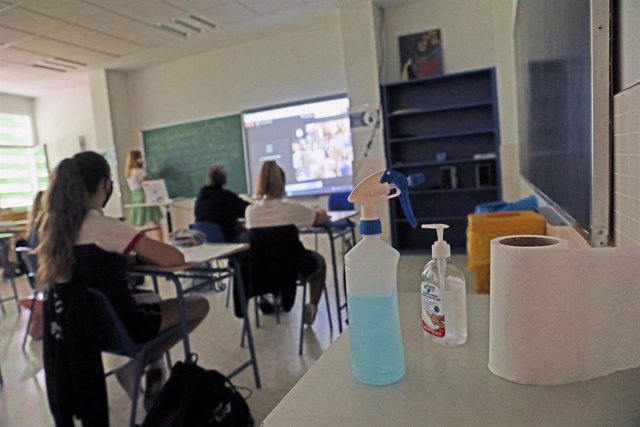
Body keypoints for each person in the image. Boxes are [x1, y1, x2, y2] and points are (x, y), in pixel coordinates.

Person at [37, 151, 209, 414]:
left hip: (86, 332)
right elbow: (173, 256)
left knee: (151, 299)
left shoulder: (53, 228)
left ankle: (144, 366)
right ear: (105, 184)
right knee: (199, 305)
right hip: (125, 327)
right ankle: (138, 365)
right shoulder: (101, 225)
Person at [245, 160, 330, 325]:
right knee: (319, 262)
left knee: (271, 253)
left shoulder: (250, 212)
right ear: (282, 184)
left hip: (262, 271)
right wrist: (317, 210)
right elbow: (321, 218)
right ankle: (312, 307)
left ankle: (270, 296)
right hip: (291, 269)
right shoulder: (291, 209)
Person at [194, 165, 250, 242]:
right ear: (224, 180)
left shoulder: (201, 197)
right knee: (250, 236)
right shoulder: (227, 197)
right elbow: (248, 210)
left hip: (205, 242)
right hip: (226, 238)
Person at [125, 150, 163, 240]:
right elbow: (147, 184)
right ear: (137, 159)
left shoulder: (128, 173)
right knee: (156, 221)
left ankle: (143, 242)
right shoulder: (139, 171)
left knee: (139, 223)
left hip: (135, 196)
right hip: (145, 195)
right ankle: (161, 241)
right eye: (140, 157)